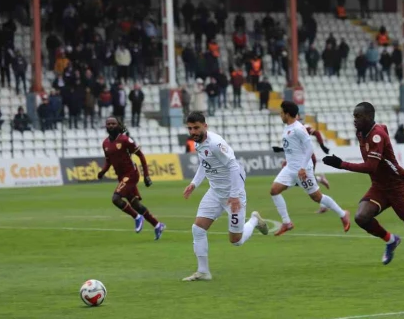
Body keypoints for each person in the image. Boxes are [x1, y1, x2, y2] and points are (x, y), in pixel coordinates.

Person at [321, 102, 404, 283]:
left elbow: (370, 166)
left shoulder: (377, 135)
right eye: (354, 116)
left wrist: (341, 164)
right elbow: (384, 129)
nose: (354, 120)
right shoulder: (361, 133)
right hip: (380, 186)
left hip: (398, 187)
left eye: (358, 116)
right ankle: (391, 240)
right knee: (361, 217)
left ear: (368, 116)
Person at [181, 112, 270, 281]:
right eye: (190, 128)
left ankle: (254, 221)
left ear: (205, 126)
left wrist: (235, 196)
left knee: (236, 241)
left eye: (196, 128)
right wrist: (194, 184)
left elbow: (233, 166)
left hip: (232, 195)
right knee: (198, 228)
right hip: (215, 192)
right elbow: (204, 163)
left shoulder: (215, 143)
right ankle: (203, 271)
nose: (193, 131)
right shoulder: (199, 143)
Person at [269, 101, 350, 236]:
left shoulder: (298, 129)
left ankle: (343, 214)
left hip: (302, 169)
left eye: (281, 112)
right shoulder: (288, 127)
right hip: (290, 168)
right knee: (274, 190)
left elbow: (309, 148)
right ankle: (287, 222)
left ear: (287, 114)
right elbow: (294, 147)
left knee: (317, 198)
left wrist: (302, 168)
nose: (280, 115)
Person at [97, 116, 165, 240]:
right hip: (121, 177)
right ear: (106, 126)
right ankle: (157, 225)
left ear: (118, 125)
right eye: (108, 124)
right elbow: (108, 161)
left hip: (131, 174)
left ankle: (137, 217)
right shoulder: (105, 143)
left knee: (116, 198)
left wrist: (146, 176)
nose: (111, 126)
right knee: (136, 205)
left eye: (113, 123)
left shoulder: (125, 140)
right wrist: (102, 172)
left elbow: (141, 156)